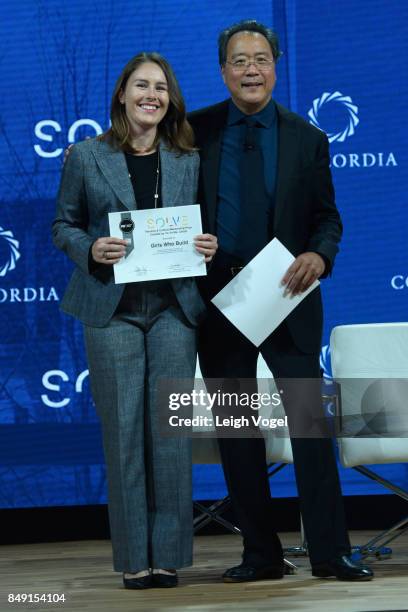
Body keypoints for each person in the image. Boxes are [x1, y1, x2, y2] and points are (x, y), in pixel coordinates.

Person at [189, 20, 373, 582]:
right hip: (220, 300)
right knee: (238, 433)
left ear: (276, 65)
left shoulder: (307, 137)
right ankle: (261, 555)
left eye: (261, 59)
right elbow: (140, 154)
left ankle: (330, 552)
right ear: (222, 70)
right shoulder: (193, 131)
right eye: (240, 60)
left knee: (310, 429)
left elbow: (327, 218)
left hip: (289, 298)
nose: (251, 69)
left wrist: (319, 256)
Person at [53, 52, 217, 590]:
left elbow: (206, 230)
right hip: (112, 310)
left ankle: (168, 555)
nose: (152, 95)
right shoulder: (85, 155)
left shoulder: (189, 157)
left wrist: (207, 244)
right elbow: (63, 224)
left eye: (162, 88)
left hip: (174, 308)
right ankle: (133, 559)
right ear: (122, 94)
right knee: (123, 435)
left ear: (170, 100)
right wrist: (89, 247)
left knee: (168, 435)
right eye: (142, 85)